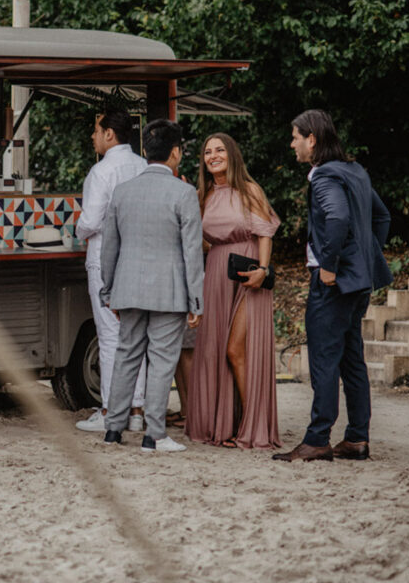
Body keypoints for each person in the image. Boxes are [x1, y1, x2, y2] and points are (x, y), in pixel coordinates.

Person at [274, 110, 391, 462]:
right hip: (359, 283)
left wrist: (330, 266)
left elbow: (338, 217)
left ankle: (317, 439)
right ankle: (356, 438)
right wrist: (364, 260)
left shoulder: (324, 176)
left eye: (295, 137)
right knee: (352, 359)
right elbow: (381, 216)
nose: (292, 143)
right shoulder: (354, 171)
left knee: (324, 359)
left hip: (333, 283)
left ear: (312, 139)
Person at [100, 119, 204, 453]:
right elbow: (192, 251)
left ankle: (113, 429)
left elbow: (109, 248)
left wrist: (108, 289)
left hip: (127, 288)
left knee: (126, 355)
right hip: (169, 291)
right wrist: (196, 300)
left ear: (146, 151)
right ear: (176, 153)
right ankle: (154, 435)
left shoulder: (122, 191)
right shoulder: (184, 193)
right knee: (161, 361)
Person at [185, 133, 282, 449]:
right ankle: (225, 425)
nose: (213, 156)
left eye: (219, 150)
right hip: (215, 272)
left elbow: (265, 233)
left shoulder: (249, 190)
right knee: (215, 350)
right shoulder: (204, 195)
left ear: (232, 154)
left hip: (247, 272)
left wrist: (263, 270)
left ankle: (252, 423)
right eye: (207, 152)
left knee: (236, 349)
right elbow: (201, 241)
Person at [74, 109, 149, 433]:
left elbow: (89, 222)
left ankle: (108, 411)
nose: (93, 136)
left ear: (108, 134)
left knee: (109, 335)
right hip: (141, 257)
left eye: (95, 130)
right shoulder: (146, 167)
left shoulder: (102, 171)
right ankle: (136, 411)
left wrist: (78, 229)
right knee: (137, 333)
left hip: (105, 257)